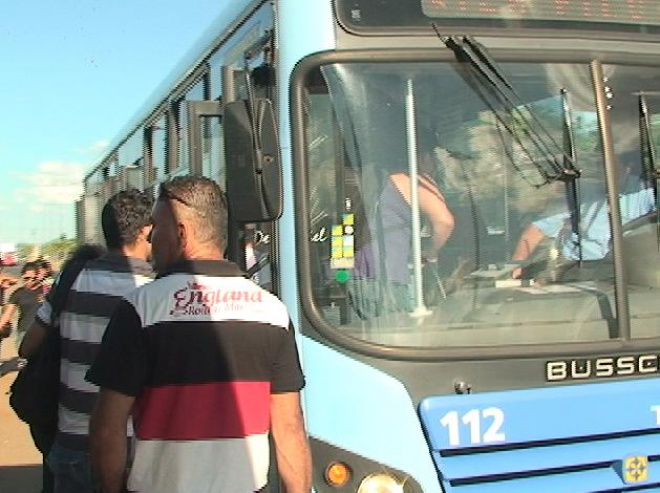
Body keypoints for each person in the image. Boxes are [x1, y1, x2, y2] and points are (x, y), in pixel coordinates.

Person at [87, 176, 312, 493]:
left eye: (157, 230)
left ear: (180, 234)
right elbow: (289, 427)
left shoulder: (140, 309)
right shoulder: (272, 312)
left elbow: (106, 428)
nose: (151, 243)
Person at [19, 189, 154, 493]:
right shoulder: (154, 290)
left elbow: (27, 347)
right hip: (134, 449)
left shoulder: (72, 279)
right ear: (147, 231)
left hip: (72, 446)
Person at [350, 146, 455, 318]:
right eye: (434, 158)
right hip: (388, 276)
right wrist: (431, 251)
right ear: (422, 157)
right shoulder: (413, 180)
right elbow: (444, 222)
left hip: (356, 273)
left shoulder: (372, 179)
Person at [512, 157, 655, 275]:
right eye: (600, 166)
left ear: (627, 168)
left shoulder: (647, 191)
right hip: (578, 268)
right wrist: (516, 267)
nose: (603, 172)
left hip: (632, 268)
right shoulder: (579, 192)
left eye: (610, 166)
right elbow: (537, 229)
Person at [0, 261, 43, 351]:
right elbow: (7, 315)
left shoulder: (46, 291)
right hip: (24, 333)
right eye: (27, 278)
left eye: (33, 278)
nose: (30, 281)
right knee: (25, 361)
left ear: (38, 276)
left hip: (42, 332)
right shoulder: (18, 293)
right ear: (23, 276)